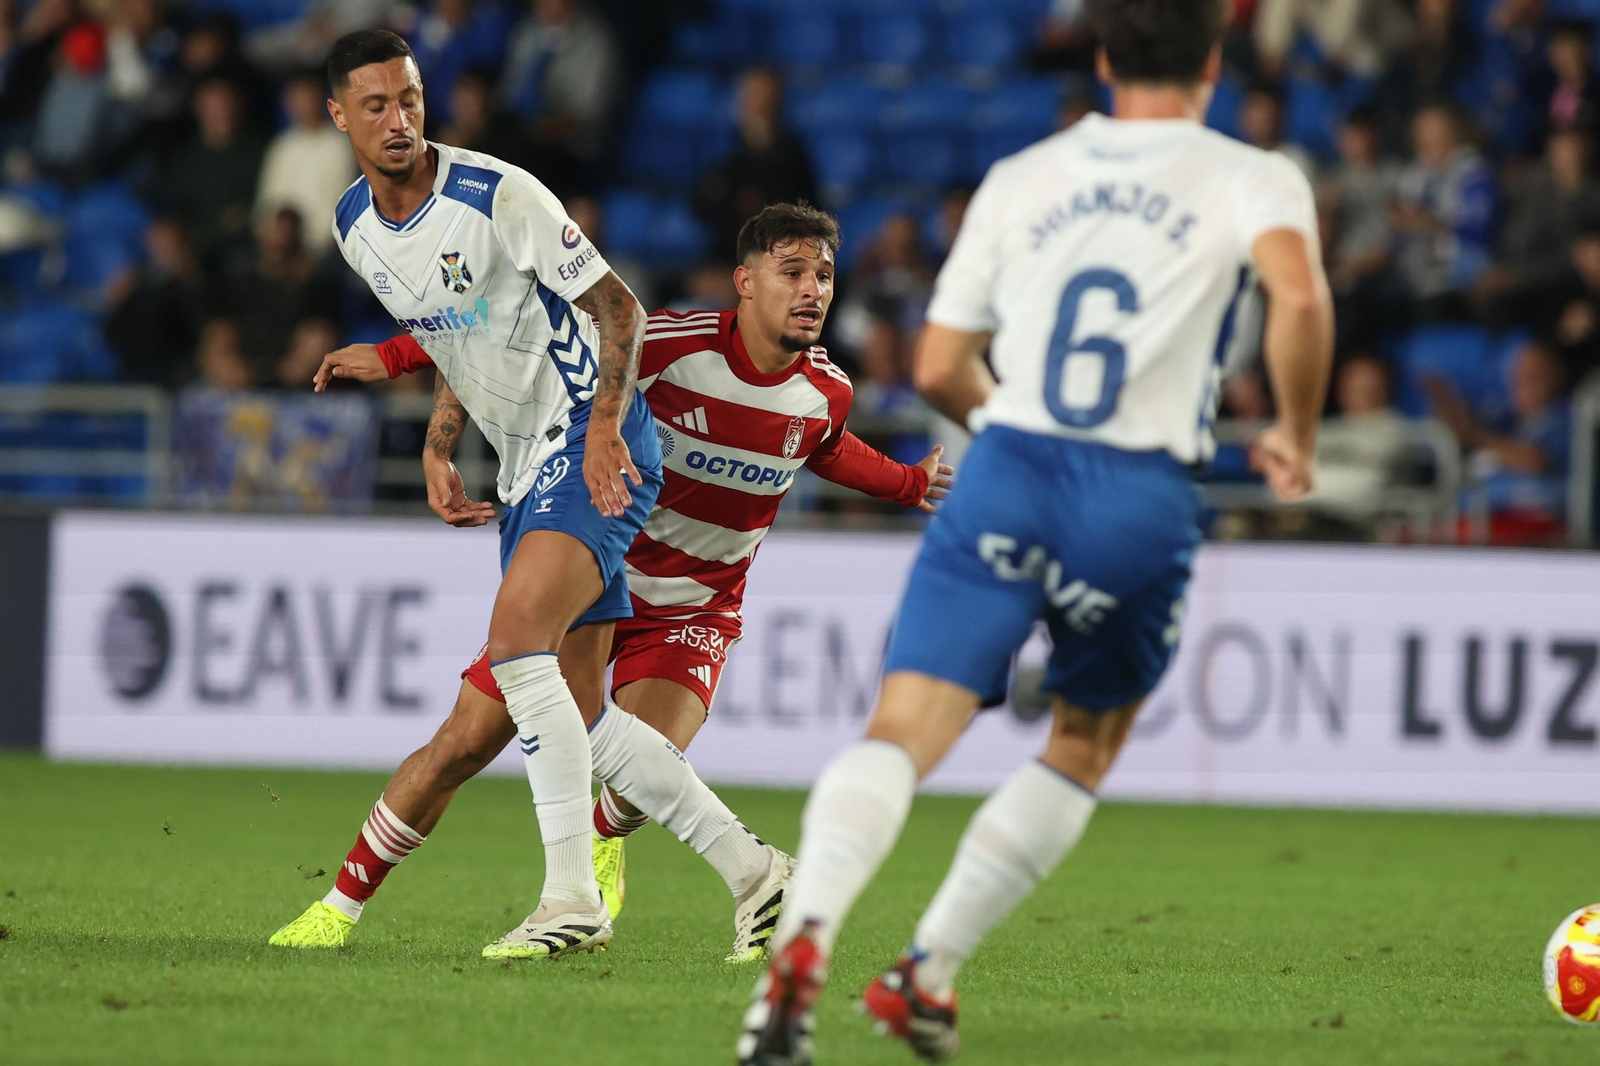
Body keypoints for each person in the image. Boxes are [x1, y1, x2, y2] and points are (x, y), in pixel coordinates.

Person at [735, 1, 1334, 1062]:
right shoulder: (1255, 175)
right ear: (1212, 63)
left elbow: (936, 365)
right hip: (1137, 488)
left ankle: (807, 935)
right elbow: (1299, 296)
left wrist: (1014, 431)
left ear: (1101, 59)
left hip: (1008, 468)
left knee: (901, 730)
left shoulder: (1023, 176)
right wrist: (1292, 430)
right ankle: (925, 973)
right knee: (1084, 740)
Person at [294, 203, 953, 962]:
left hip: (697, 609)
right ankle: (338, 906)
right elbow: (513, 338)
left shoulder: (828, 391)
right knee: (461, 745)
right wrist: (401, 358)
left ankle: (602, 858)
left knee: (642, 766)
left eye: (825, 277)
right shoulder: (663, 344)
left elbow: (828, 447)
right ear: (745, 282)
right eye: (793, 272)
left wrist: (908, 483)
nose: (813, 290)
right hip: (597, 580)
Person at [266, 29, 762, 963]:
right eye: (375, 105)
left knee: (515, 647)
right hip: (525, 466)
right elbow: (461, 330)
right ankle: (758, 873)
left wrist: (606, 429)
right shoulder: (353, 226)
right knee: (582, 715)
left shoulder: (498, 194)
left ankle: (570, 898)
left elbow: (621, 310)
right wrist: (438, 444)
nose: (399, 120)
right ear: (338, 117)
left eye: (410, 99)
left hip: (591, 438)